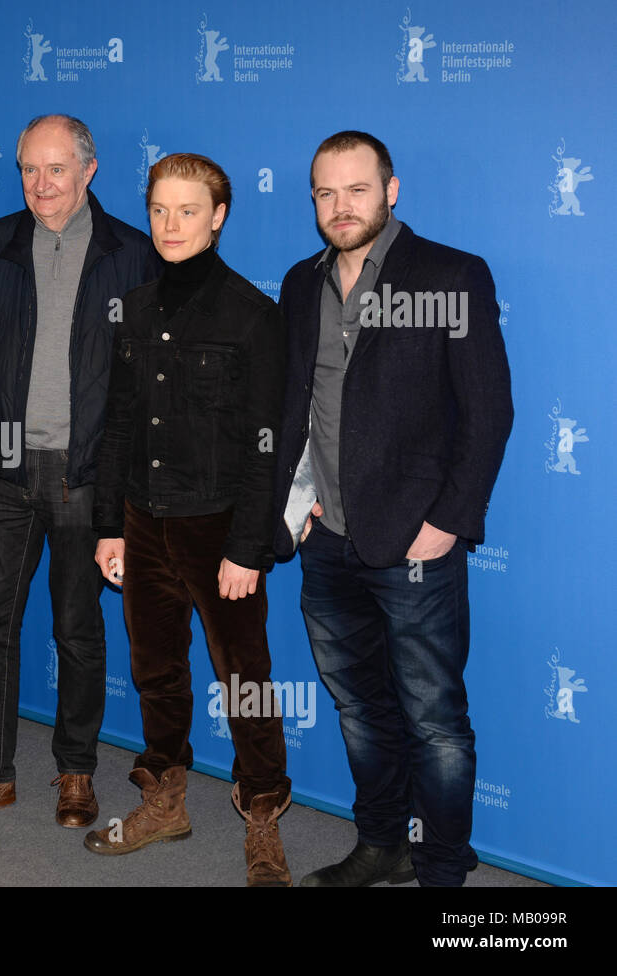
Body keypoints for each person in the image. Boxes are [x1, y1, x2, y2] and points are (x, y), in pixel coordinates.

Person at [273, 131, 512, 886]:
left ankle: (444, 870)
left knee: (436, 722)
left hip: (416, 544)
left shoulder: (449, 273)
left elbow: (488, 412)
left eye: (357, 189)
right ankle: (380, 845)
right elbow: (293, 408)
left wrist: (447, 523)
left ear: (391, 190)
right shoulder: (300, 283)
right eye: (325, 192)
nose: (340, 207)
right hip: (328, 544)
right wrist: (295, 505)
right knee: (359, 712)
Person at [0, 115, 159, 828]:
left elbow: (142, 386)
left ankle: (76, 772)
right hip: (0, 471)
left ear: (90, 170)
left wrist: (120, 493)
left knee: (78, 630)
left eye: (56, 169)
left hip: (85, 476)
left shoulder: (133, 255)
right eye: (28, 169)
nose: (40, 184)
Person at [83, 153, 292, 885]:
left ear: (219, 217)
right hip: (142, 521)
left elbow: (268, 443)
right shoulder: (134, 310)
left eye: (188, 211)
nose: (171, 226)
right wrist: (110, 524)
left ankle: (263, 818)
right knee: (156, 671)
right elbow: (118, 428)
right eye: (159, 210)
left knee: (246, 679)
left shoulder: (252, 315)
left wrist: (248, 547)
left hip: (219, 529)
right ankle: (164, 800)